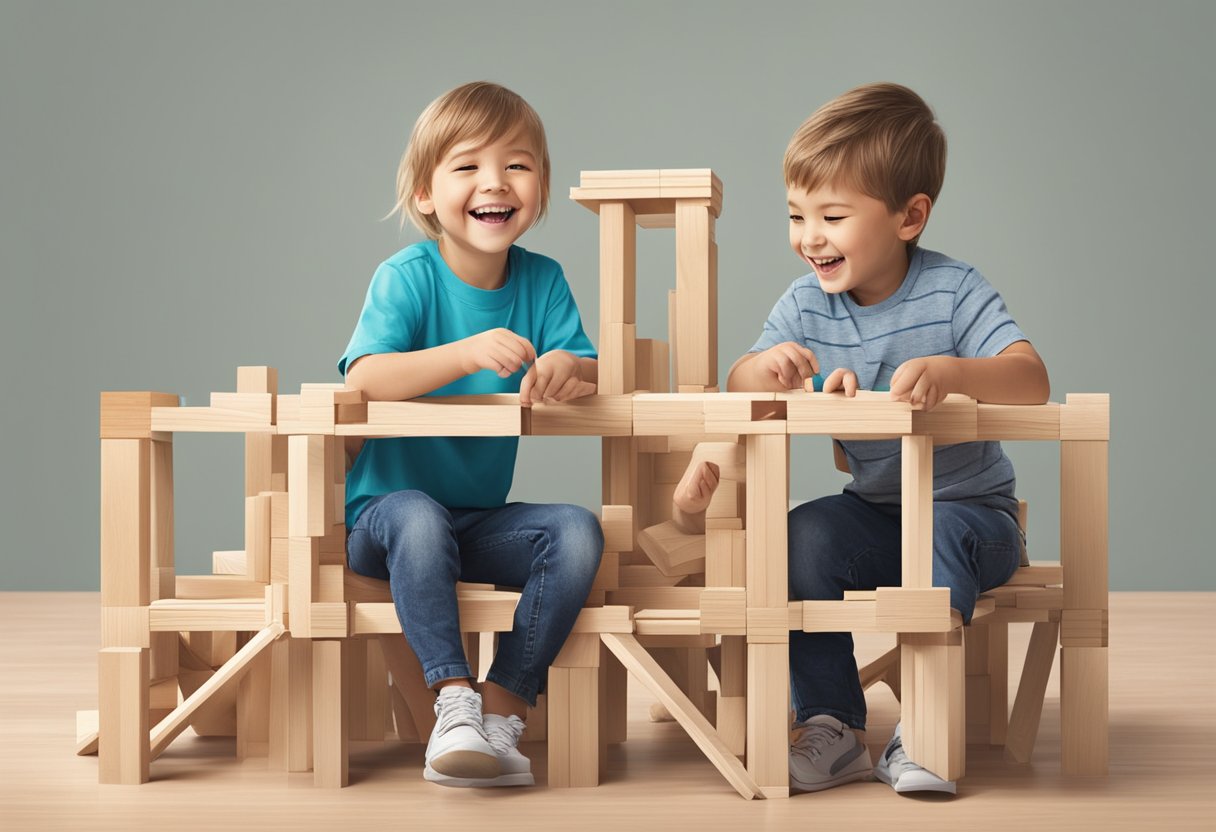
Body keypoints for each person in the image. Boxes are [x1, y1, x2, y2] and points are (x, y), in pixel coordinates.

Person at [727, 82, 1050, 795]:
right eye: (796, 215)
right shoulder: (805, 301)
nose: (809, 235)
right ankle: (833, 723)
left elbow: (1031, 380)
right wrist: (768, 369)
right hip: (877, 513)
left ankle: (926, 728)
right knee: (796, 539)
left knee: (936, 533)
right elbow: (739, 380)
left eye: (832, 215)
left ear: (909, 217)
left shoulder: (954, 291)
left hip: (974, 519)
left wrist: (951, 371)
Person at [339, 81, 604, 788]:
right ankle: (452, 703)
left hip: (475, 518)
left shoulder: (543, 280)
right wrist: (464, 354)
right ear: (426, 194)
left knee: (577, 532)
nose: (495, 182)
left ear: (540, 187)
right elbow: (363, 378)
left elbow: (590, 367)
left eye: (516, 165)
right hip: (384, 518)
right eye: (468, 166)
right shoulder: (406, 277)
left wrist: (564, 366)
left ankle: (502, 710)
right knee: (420, 517)